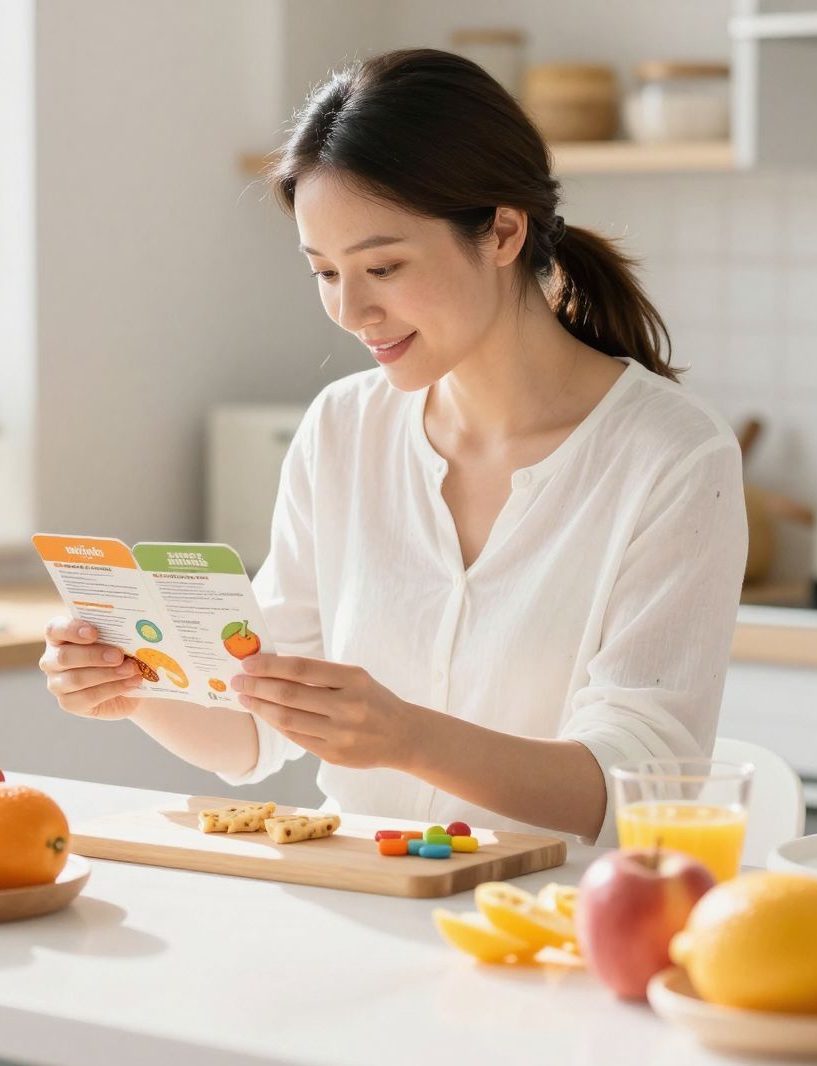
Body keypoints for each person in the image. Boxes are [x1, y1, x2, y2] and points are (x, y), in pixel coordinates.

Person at [40, 48, 745, 843]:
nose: (350, 310)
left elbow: (637, 789)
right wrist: (136, 689)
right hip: (364, 899)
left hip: (552, 925)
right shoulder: (343, 429)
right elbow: (258, 730)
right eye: (326, 273)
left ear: (503, 231)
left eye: (382, 265)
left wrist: (409, 737)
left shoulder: (674, 456)